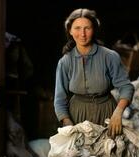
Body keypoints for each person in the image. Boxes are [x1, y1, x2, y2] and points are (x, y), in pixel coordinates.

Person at [54, 8, 134, 138]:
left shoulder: (110, 56)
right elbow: (59, 99)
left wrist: (118, 113)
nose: (83, 34)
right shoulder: (65, 62)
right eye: (77, 28)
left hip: (107, 114)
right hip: (77, 116)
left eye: (87, 28)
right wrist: (67, 122)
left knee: (109, 154)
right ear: (70, 30)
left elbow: (126, 87)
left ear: (94, 29)